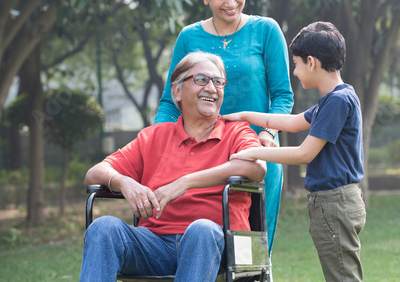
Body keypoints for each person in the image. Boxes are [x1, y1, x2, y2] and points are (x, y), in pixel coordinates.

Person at [79, 52, 266, 282]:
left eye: (218, 82)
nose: (211, 88)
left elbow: (257, 168)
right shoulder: (153, 137)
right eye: (201, 80)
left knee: (201, 230)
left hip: (218, 243)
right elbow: (94, 173)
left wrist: (185, 182)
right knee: (103, 228)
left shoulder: (237, 132)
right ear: (177, 91)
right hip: (155, 245)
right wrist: (124, 182)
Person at [154, 0, 294, 254]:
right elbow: (170, 101)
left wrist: (267, 135)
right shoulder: (189, 37)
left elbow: (283, 95)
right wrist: (156, 143)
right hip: (200, 155)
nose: (230, 2)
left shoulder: (265, 30)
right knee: (203, 246)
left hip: (255, 154)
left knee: (250, 254)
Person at [221, 21, 367, 282]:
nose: (296, 72)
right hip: (332, 203)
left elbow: (303, 154)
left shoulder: (337, 101)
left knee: (343, 278)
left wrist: (253, 152)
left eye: (297, 64)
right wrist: (244, 115)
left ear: (311, 62)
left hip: (335, 204)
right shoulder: (334, 99)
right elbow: (292, 121)